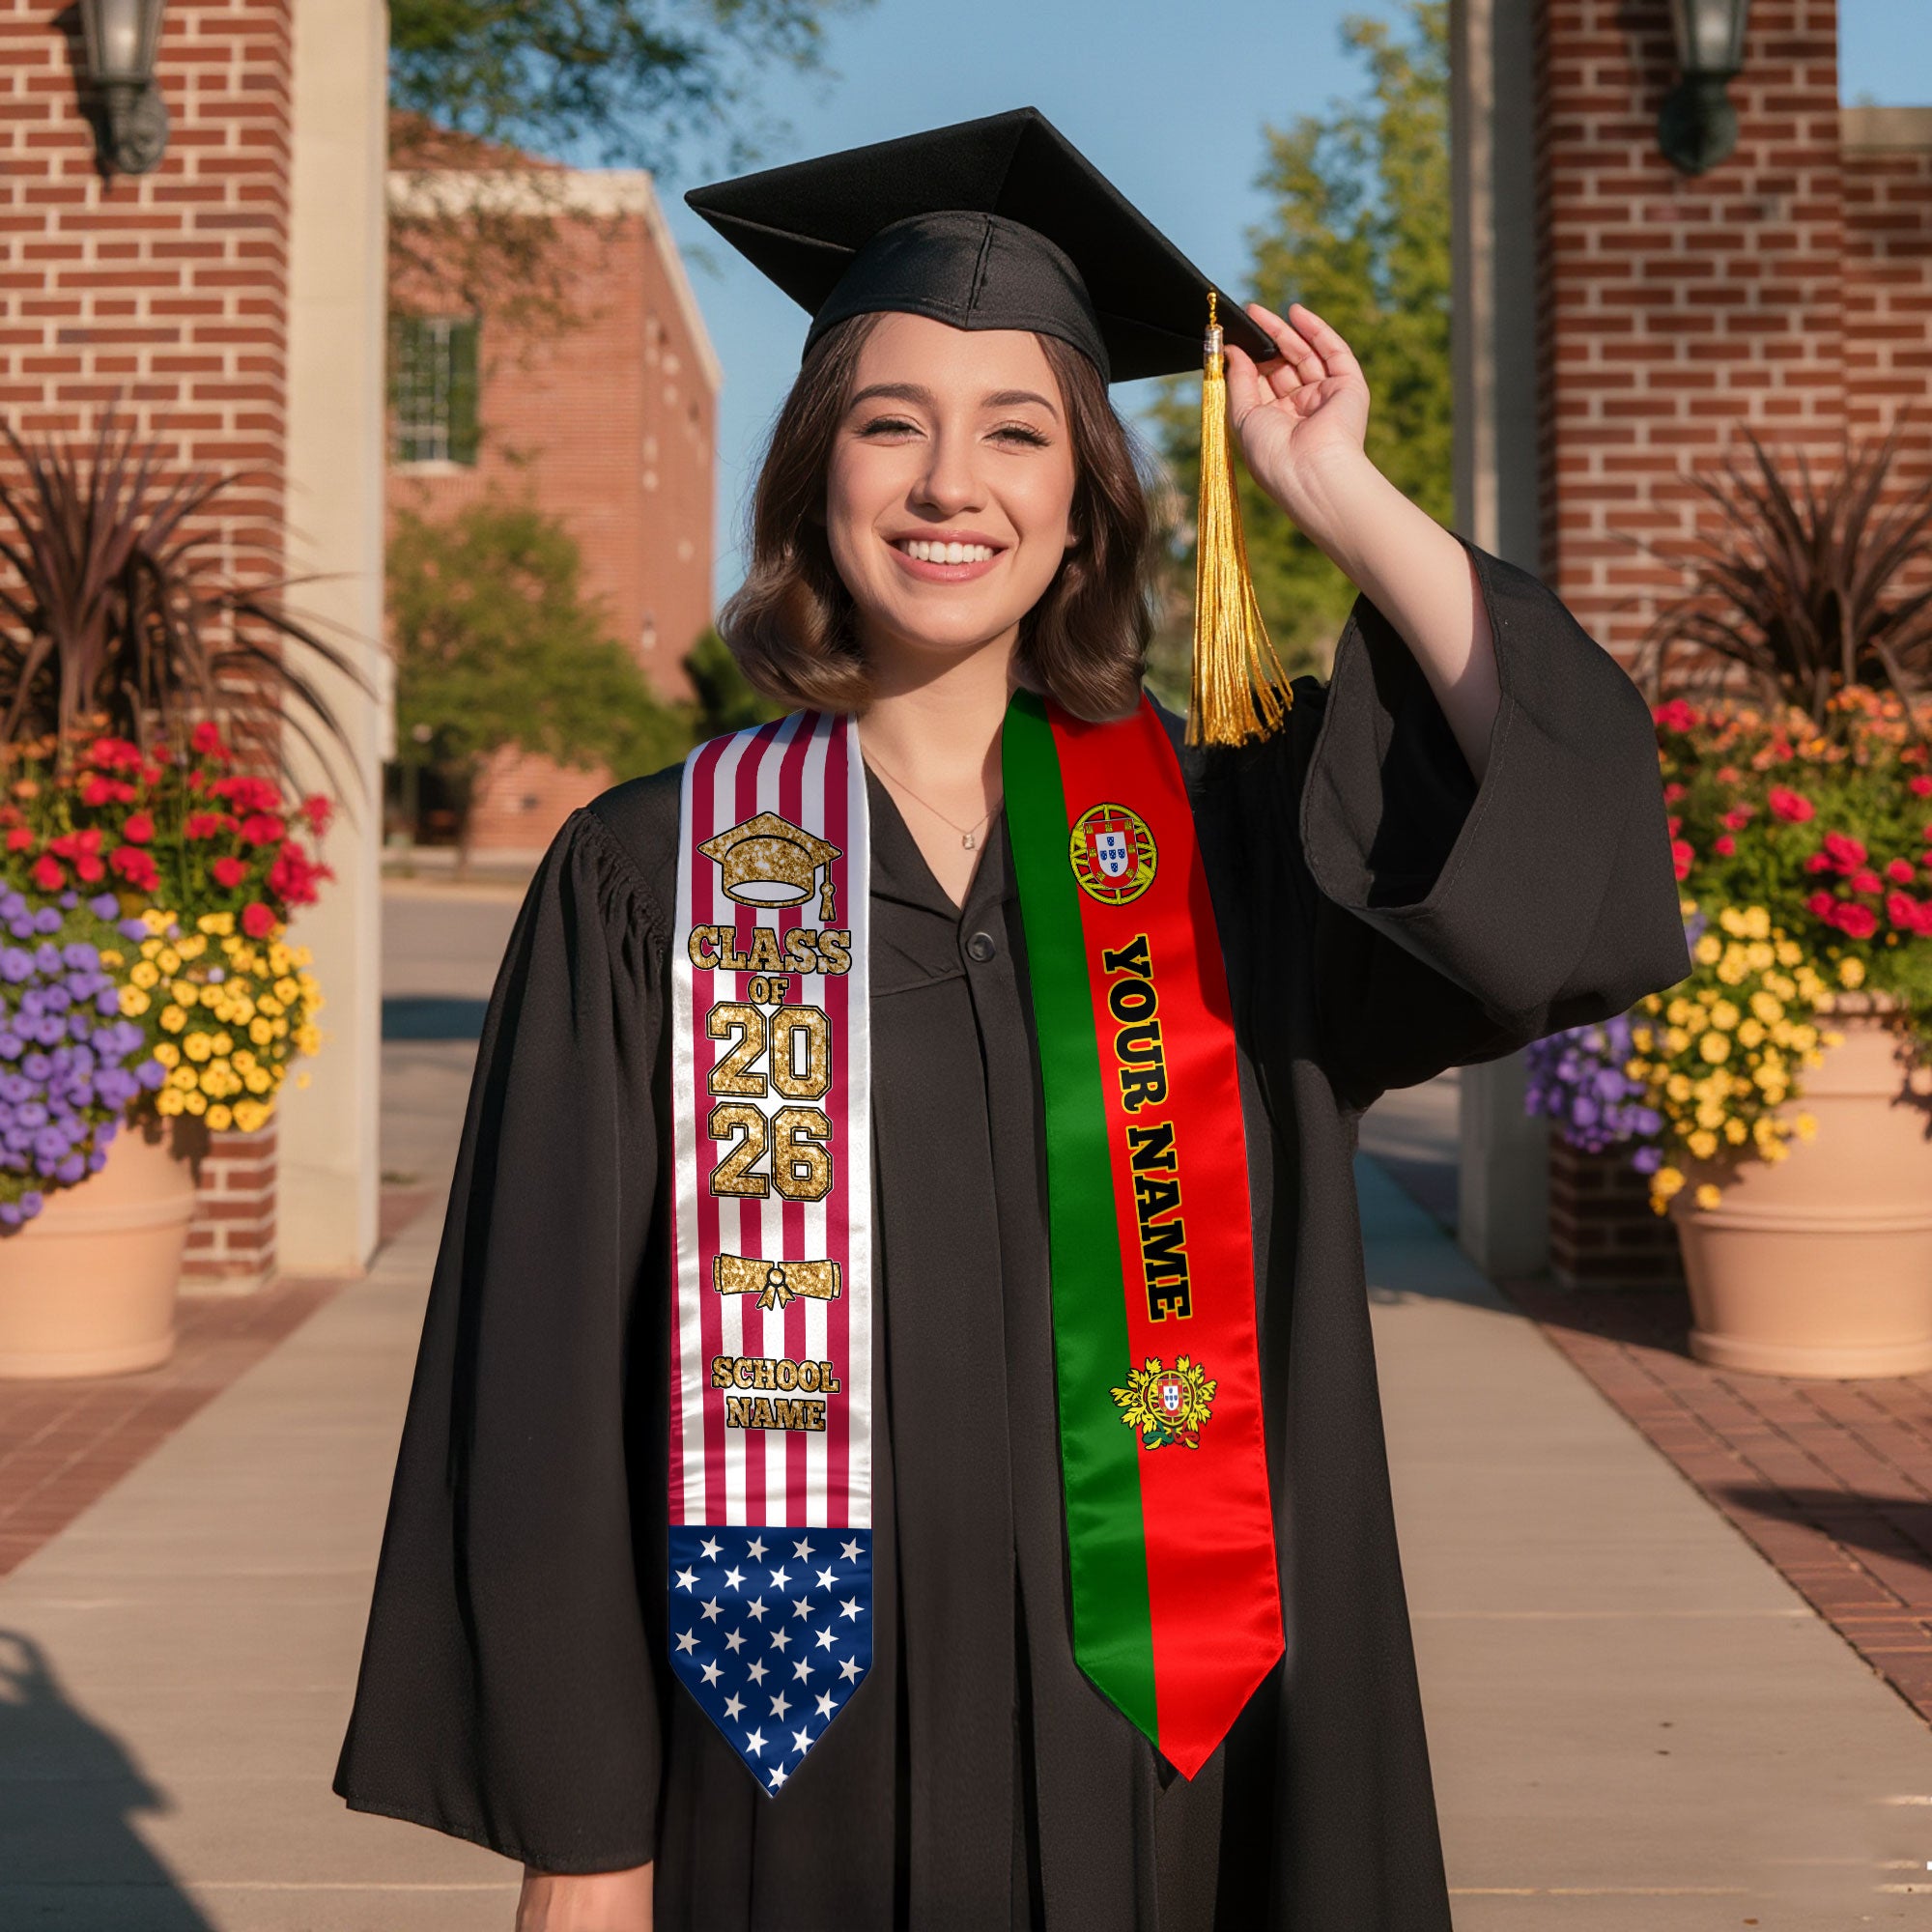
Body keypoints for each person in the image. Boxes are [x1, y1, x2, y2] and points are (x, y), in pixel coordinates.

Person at [333, 109, 1690, 1932]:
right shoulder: (649, 878)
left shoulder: (1228, 855)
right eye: (892, 424)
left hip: (1181, 1767)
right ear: (818, 473)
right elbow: (547, 1383)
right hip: (779, 1774)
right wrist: (585, 1842)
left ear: (1082, 507)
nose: (948, 483)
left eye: (1016, 433)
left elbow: (1559, 832)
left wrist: (1336, 491)